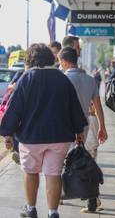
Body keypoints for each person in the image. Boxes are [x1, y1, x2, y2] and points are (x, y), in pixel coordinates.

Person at [0, 43, 87, 218]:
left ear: (31, 59)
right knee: (53, 174)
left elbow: (15, 108)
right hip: (59, 137)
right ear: (50, 58)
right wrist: (79, 131)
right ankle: (53, 212)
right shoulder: (63, 79)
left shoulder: (26, 78)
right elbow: (74, 107)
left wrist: (7, 133)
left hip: (31, 137)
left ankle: (31, 209)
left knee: (31, 172)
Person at [58, 47, 108, 213]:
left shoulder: (62, 79)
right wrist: (102, 127)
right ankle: (91, 200)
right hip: (84, 126)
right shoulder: (90, 79)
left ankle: (60, 195)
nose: (60, 65)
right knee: (84, 161)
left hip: (64, 126)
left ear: (65, 61)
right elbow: (97, 106)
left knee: (62, 161)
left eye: (60, 62)